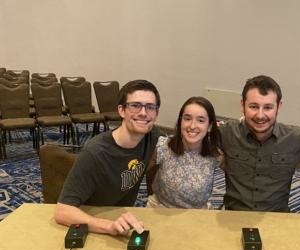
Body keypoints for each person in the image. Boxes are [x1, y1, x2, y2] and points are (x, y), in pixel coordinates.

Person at [54, 79, 162, 235]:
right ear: (121, 110)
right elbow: (62, 211)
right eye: (135, 105)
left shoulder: (152, 135)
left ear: (156, 114)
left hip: (122, 218)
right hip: (91, 222)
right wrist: (108, 226)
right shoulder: (95, 153)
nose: (143, 113)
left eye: (150, 107)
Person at [219, 75, 300, 212]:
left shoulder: (295, 138)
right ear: (242, 105)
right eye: (253, 106)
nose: (260, 115)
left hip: (277, 218)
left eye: (268, 107)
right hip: (233, 215)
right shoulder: (227, 133)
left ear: (279, 107)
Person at [147, 96, 221, 208]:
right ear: (180, 121)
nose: (192, 126)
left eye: (200, 120)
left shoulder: (216, 155)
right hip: (161, 207)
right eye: (187, 118)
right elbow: (138, 174)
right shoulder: (163, 147)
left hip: (197, 213)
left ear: (209, 126)